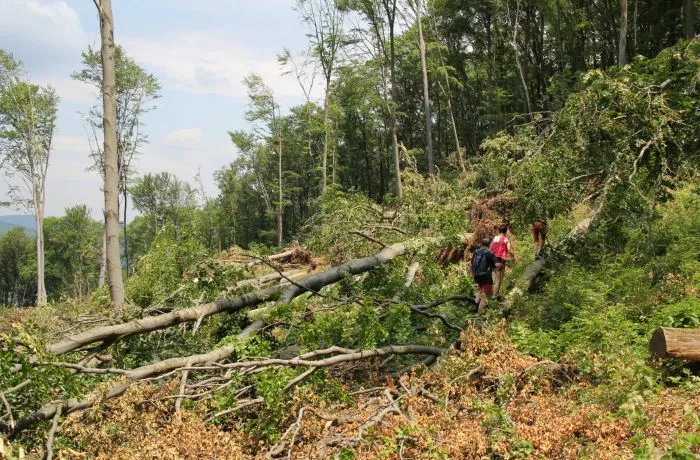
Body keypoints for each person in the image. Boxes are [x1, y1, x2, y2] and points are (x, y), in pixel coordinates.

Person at [471, 237, 500, 313]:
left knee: (480, 290)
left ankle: (475, 309)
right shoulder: (490, 253)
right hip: (485, 276)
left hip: (476, 275)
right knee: (484, 296)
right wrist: (501, 264)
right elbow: (497, 265)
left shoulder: (476, 252)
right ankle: (479, 314)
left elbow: (472, 263)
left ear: (481, 244)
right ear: (489, 245)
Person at [490, 224, 516, 298]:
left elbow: (490, 248)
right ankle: (494, 295)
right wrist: (513, 256)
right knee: (498, 279)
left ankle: (496, 293)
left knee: (498, 277)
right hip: (500, 260)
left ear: (499, 231)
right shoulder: (505, 239)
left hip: (493, 259)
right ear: (506, 231)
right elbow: (509, 250)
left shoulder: (495, 238)